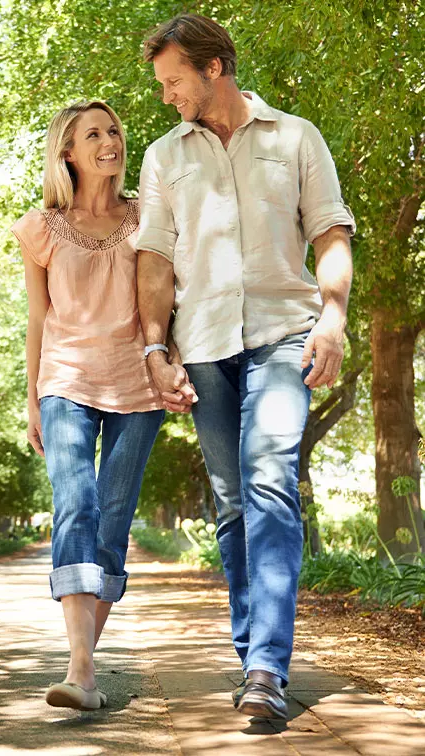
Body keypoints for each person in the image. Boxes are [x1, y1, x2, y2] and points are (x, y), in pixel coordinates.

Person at [136, 14, 355, 720]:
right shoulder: (164, 156)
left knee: (268, 479)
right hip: (203, 345)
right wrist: (153, 346)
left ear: (214, 68)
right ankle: (251, 651)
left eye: (174, 81)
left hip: (283, 332)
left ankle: (267, 666)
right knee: (232, 500)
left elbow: (330, 231)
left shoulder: (295, 137)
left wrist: (334, 319)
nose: (167, 95)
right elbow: (156, 261)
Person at [11, 100, 165, 711]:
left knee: (113, 518)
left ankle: (84, 669)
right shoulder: (41, 229)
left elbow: (163, 295)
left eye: (115, 131)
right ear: (67, 152)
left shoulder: (148, 216)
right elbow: (38, 318)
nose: (110, 141)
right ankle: (81, 670)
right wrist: (32, 400)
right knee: (75, 501)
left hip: (137, 384)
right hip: (66, 380)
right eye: (93, 134)